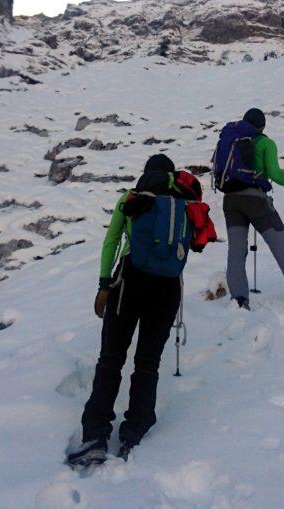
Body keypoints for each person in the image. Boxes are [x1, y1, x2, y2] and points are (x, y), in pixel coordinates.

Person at [67, 154, 216, 467]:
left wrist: (104, 284)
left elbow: (111, 242)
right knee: (148, 362)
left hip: (129, 283)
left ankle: (95, 435)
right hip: (168, 289)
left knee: (111, 358)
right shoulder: (187, 204)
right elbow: (196, 244)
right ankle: (134, 431)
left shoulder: (133, 198)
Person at [215, 108, 284, 309]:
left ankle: (239, 300)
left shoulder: (231, 141)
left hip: (230, 201)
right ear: (262, 126)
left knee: (236, 251)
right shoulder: (265, 143)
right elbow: (275, 173)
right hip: (256, 201)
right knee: (282, 246)